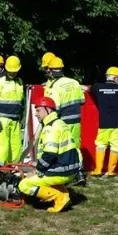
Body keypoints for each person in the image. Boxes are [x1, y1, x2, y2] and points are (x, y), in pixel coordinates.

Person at [18, 96, 81, 213]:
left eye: (38, 110)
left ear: (48, 110)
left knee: (24, 185)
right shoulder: (60, 123)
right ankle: (64, 195)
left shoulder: (50, 128)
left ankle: (59, 197)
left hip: (61, 171)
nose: (36, 114)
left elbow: (49, 155)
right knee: (46, 179)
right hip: (70, 169)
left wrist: (37, 171)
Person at [46, 57, 87, 185]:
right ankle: (79, 172)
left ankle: (61, 172)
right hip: (76, 119)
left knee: (62, 146)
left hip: (63, 121)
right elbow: (82, 101)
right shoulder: (74, 82)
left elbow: (55, 107)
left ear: (51, 71)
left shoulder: (55, 86)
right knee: (75, 146)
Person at [88, 66, 118, 177]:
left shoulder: (97, 87)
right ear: (115, 78)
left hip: (104, 122)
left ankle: (98, 170)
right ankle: (111, 171)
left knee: (101, 144)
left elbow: (88, 89)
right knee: (116, 145)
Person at [0, 55, 24, 165]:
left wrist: (21, 116)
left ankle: (14, 168)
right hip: (2, 121)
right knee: (2, 147)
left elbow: (21, 102)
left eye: (15, 71)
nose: (13, 73)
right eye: (11, 71)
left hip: (15, 121)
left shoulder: (20, 82)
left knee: (16, 147)